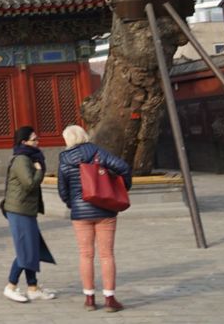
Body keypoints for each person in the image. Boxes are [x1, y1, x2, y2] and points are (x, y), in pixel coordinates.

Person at [57, 124, 132, 313]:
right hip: (105, 210)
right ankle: (109, 298)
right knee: (106, 254)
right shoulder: (98, 151)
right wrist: (120, 189)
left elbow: (62, 189)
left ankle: (89, 298)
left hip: (80, 213)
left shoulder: (64, 158)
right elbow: (123, 167)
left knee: (85, 254)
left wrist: (73, 203)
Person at [2, 125, 56, 303]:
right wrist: (40, 170)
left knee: (32, 247)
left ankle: (33, 288)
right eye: (34, 139)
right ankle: (10, 286)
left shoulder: (28, 157)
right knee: (26, 249)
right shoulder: (22, 159)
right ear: (24, 142)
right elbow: (29, 184)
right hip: (19, 210)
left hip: (26, 209)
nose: (38, 142)